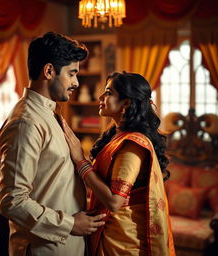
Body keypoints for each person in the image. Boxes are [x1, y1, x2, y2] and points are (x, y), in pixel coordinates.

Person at [0, 31, 106, 256]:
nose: (76, 82)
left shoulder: (51, 113)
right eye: (72, 73)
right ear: (48, 71)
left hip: (67, 245)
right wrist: (69, 224)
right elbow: (12, 201)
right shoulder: (26, 122)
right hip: (43, 249)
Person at [63, 71, 176, 256]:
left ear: (126, 103)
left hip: (122, 241)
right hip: (110, 231)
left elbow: (115, 202)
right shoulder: (116, 136)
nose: (101, 97)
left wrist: (80, 160)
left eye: (108, 92)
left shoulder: (132, 145)